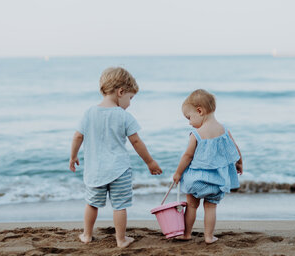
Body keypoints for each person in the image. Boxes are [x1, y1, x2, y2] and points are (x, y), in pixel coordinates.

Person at [69, 67, 162, 248]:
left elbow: (77, 136)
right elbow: (136, 141)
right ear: (121, 92)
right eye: (130, 98)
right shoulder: (123, 116)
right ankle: (121, 239)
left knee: (92, 204)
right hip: (119, 170)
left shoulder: (89, 113)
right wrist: (150, 162)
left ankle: (87, 235)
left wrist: (73, 156)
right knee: (119, 206)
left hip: (95, 170)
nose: (130, 103)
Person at [172, 89, 243, 244]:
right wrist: (239, 163)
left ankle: (186, 234)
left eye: (189, 117)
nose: (189, 122)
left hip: (196, 180)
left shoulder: (196, 134)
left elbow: (187, 156)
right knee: (210, 208)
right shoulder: (224, 130)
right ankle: (209, 237)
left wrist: (178, 173)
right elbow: (235, 149)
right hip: (217, 181)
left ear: (200, 111)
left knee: (191, 206)